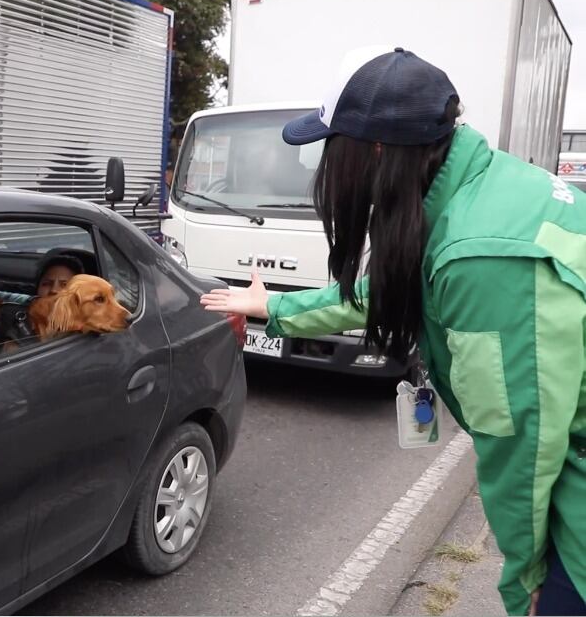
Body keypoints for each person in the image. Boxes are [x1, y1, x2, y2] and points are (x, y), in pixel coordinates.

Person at [201, 46, 586, 616]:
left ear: (376, 152)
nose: (328, 171)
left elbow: (521, 450)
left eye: (332, 151)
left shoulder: (479, 260)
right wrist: (275, 307)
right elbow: (393, 288)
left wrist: (524, 582)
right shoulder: (484, 185)